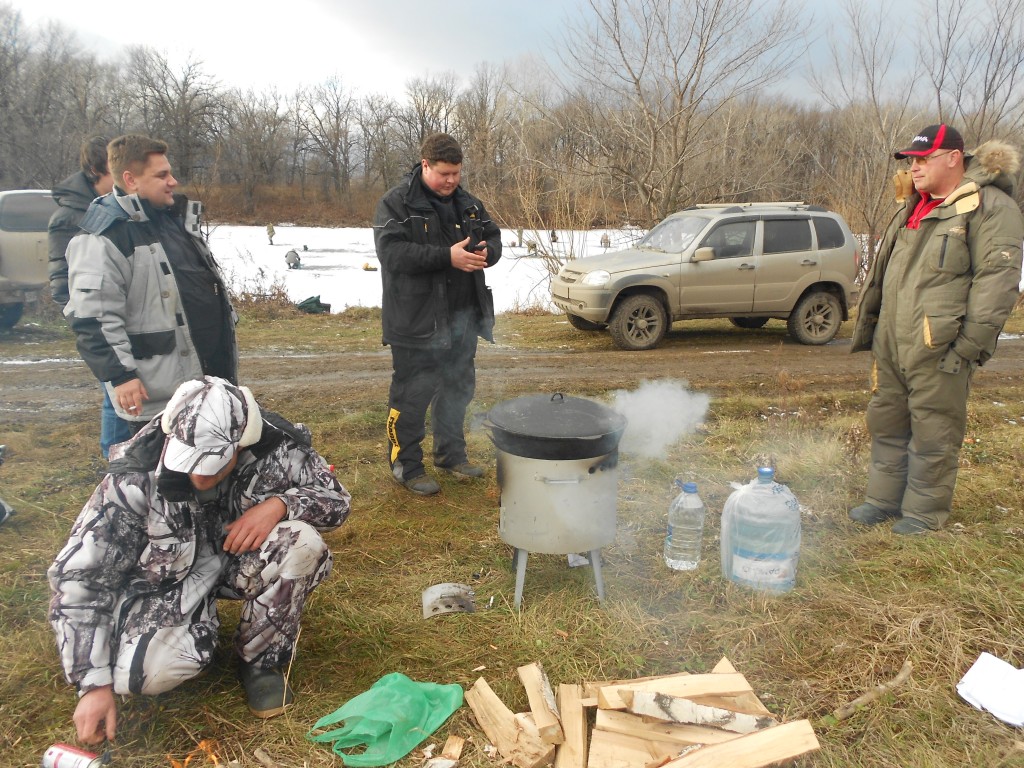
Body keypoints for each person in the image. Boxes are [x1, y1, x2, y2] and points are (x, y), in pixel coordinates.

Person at [48, 376, 352, 744]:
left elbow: (337, 500)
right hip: (168, 585)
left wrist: (280, 505)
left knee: (303, 543)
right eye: (189, 460)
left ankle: (261, 662)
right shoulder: (133, 476)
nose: (199, 475)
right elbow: (81, 578)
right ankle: (178, 632)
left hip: (239, 561)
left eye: (213, 463)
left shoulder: (279, 447)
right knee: (140, 676)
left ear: (241, 443)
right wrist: (92, 683)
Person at [849, 124, 1024, 534]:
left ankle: (924, 514)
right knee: (887, 422)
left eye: (924, 159)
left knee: (934, 430)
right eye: (912, 160)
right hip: (893, 341)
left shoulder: (989, 207)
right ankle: (883, 501)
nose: (914, 167)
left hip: (941, 344)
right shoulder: (914, 205)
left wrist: (968, 346)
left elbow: (997, 282)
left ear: (954, 158)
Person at [64, 135, 238, 431]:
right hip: (159, 396)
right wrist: (120, 376)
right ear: (130, 180)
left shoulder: (175, 220)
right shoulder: (103, 238)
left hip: (209, 383)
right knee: (157, 462)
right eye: (161, 175)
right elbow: (93, 317)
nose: (173, 181)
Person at [373, 133, 502, 495]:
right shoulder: (397, 203)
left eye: (456, 173)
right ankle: (406, 466)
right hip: (416, 322)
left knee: (457, 390)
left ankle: (451, 455)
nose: (451, 181)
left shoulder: (469, 205)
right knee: (411, 396)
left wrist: (487, 253)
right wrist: (447, 257)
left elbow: (494, 238)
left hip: (463, 319)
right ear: (425, 164)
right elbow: (391, 254)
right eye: (444, 174)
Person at [48, 136, 132, 459]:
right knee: (115, 394)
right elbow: (61, 284)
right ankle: (116, 464)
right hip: (98, 322)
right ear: (97, 171)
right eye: (115, 172)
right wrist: (87, 323)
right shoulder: (70, 218)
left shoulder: (118, 207)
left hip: (125, 316)